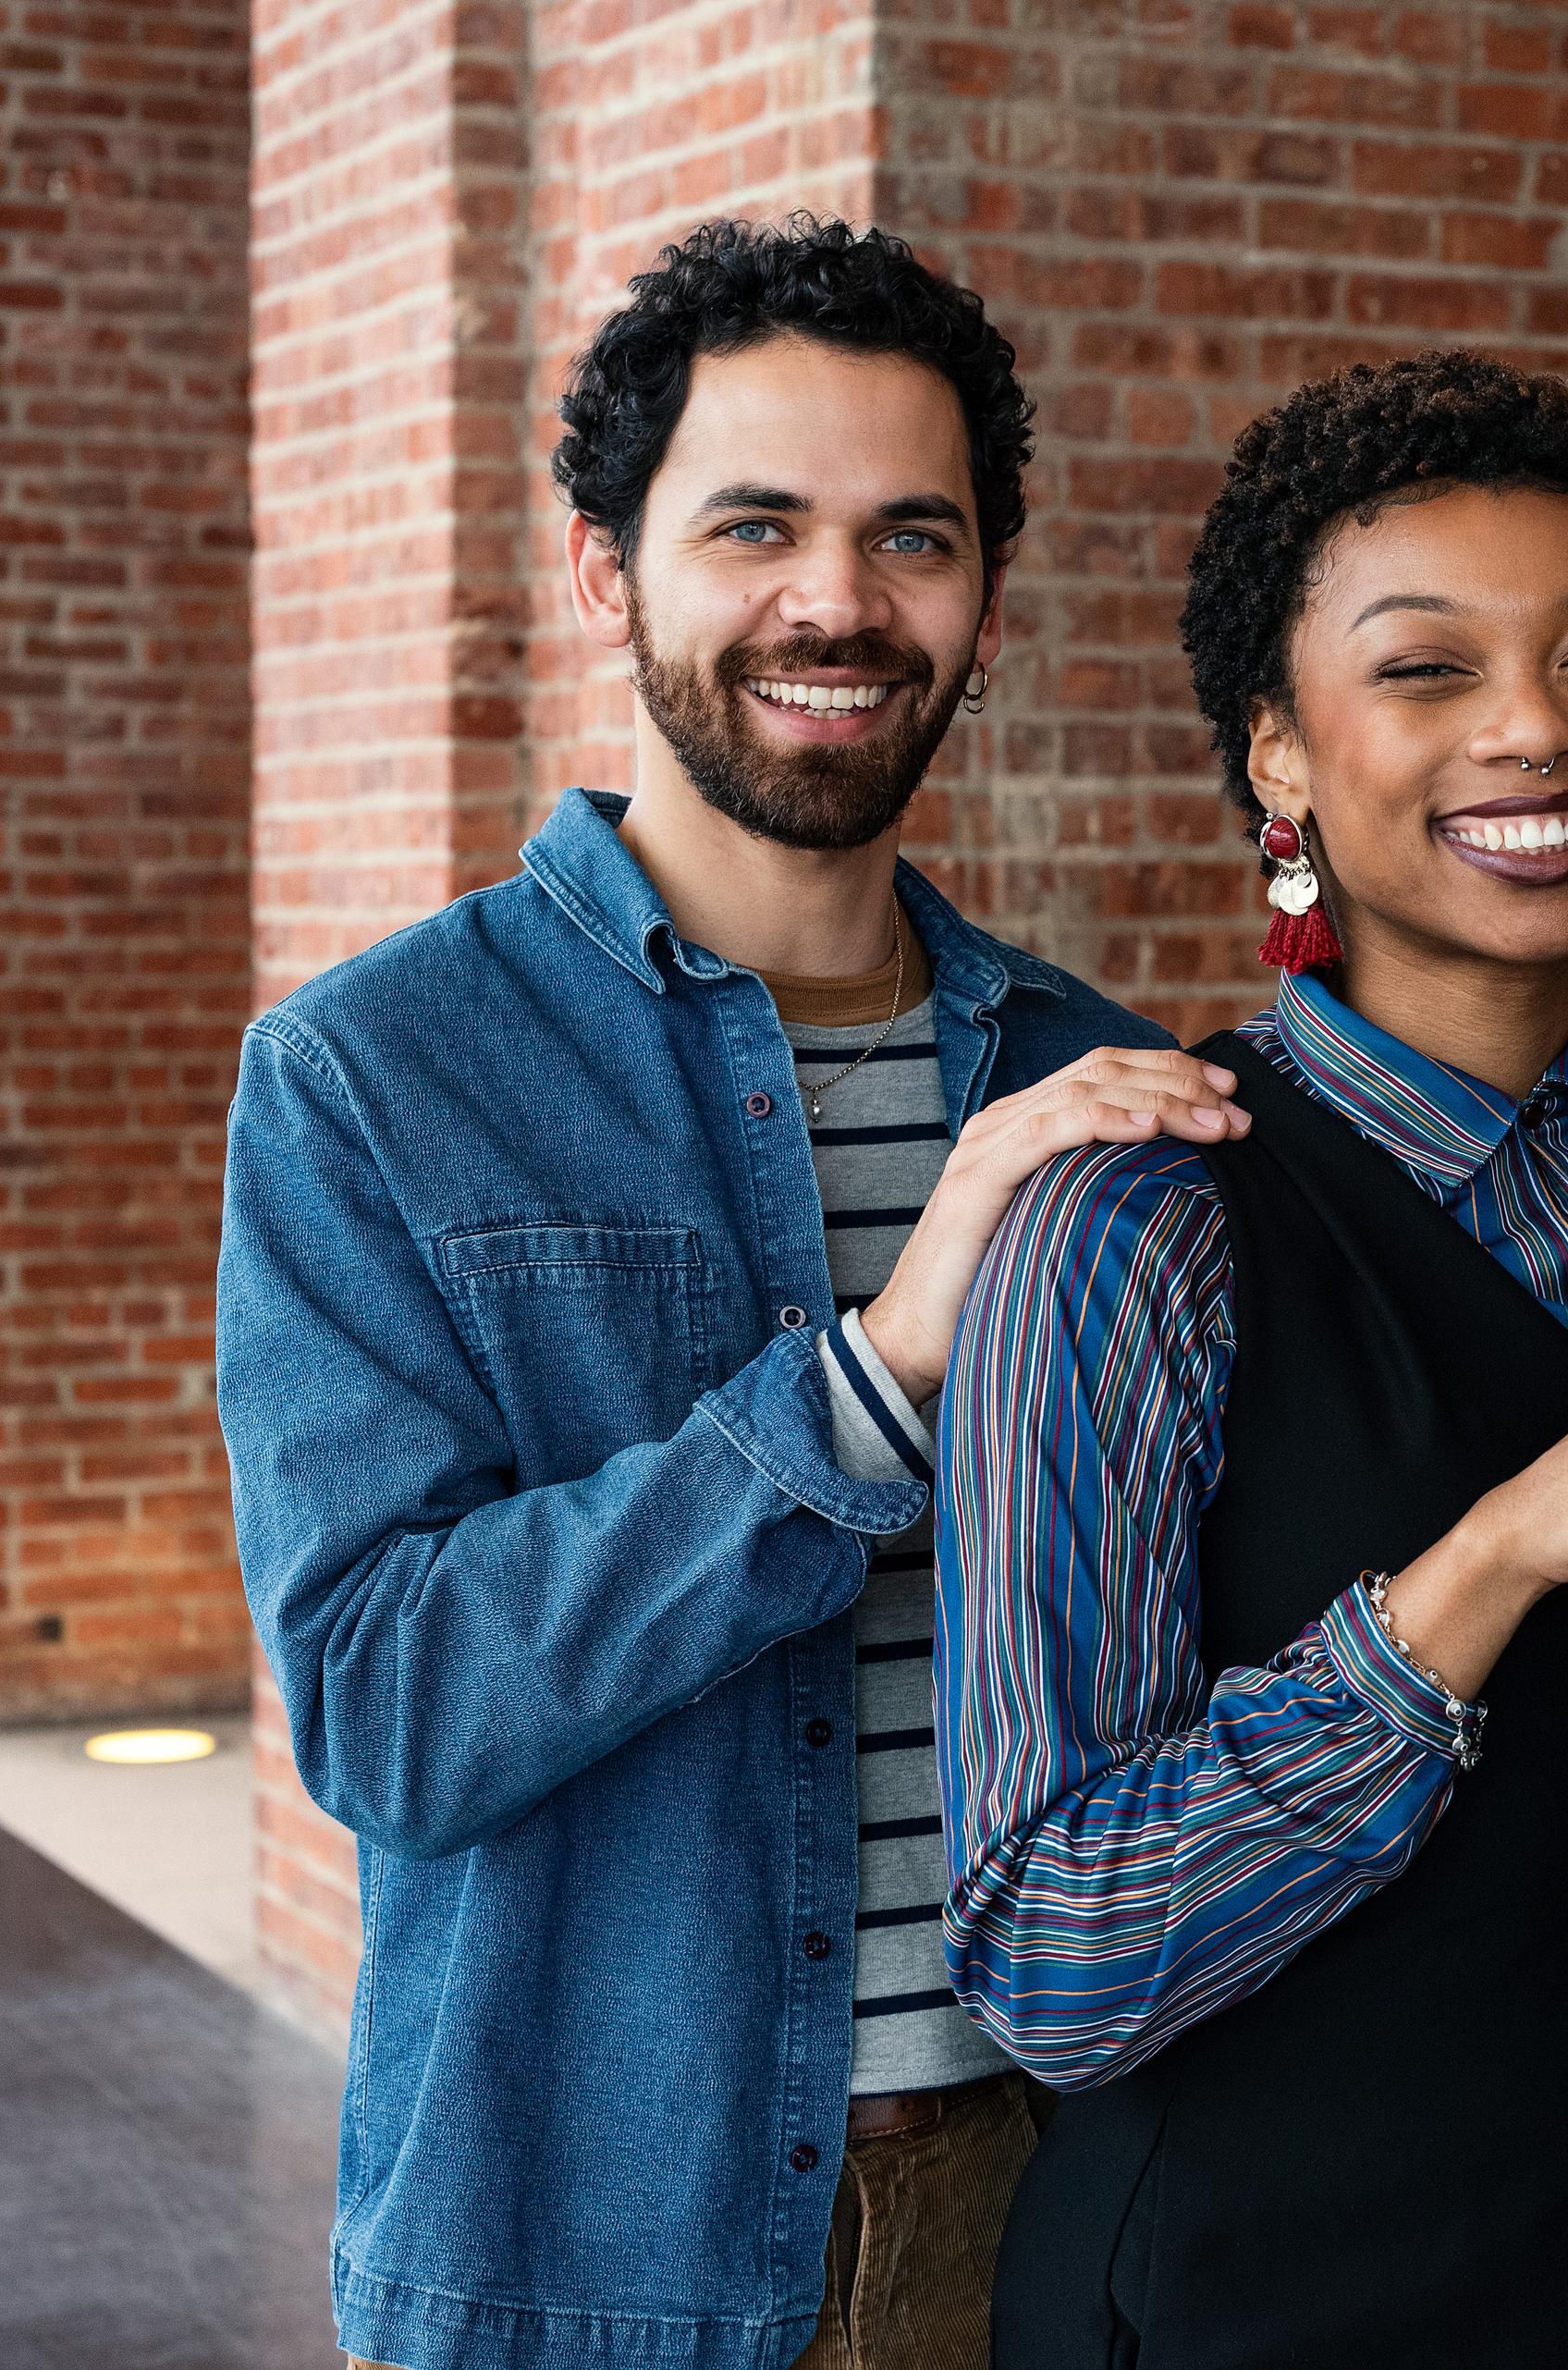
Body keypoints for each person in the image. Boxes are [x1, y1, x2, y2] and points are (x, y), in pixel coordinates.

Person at [217, 217, 1242, 2370]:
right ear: (607, 568)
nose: (838, 602)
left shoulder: (1094, 1080)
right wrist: (871, 1391)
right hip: (590, 2235)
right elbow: (391, 1706)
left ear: (985, 603)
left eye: (913, 538)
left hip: (1047, 2207)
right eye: (756, 524)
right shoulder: (375, 1076)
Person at [937, 354, 1568, 2365]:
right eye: (1424, 672)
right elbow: (1054, 1954)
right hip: (1264, 2306)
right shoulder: (1141, 1221)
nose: (1531, 730)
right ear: (1282, 759)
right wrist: (1497, 1556)